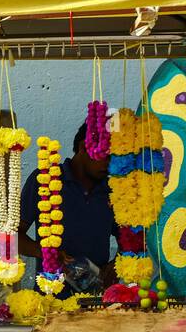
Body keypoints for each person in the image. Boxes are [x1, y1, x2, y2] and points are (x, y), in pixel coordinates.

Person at [18, 123, 117, 291]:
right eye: (105, 156)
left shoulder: (114, 191)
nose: (110, 164)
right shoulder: (44, 181)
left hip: (96, 300)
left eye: (114, 158)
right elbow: (12, 236)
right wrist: (45, 252)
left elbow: (130, 241)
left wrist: (114, 268)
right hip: (49, 301)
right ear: (83, 147)